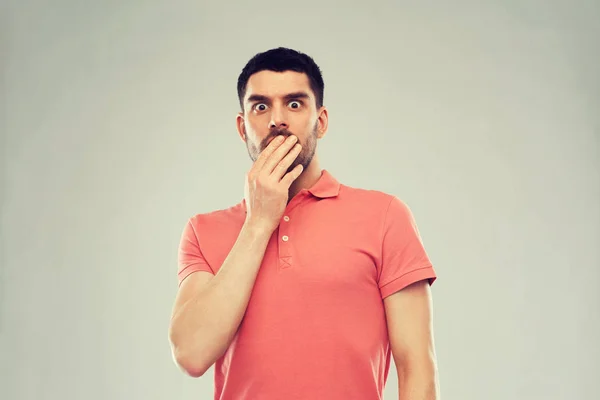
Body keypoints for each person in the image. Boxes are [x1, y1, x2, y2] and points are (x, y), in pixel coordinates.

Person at [168, 47, 440, 399]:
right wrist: (257, 224)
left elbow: (417, 366)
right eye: (260, 106)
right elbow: (190, 354)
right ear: (242, 126)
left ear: (321, 121)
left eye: (294, 104)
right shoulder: (203, 231)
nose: (277, 120)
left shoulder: (385, 216)